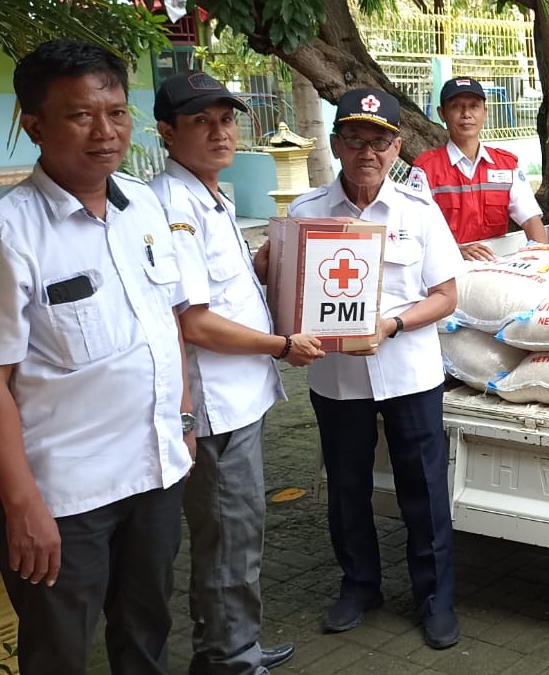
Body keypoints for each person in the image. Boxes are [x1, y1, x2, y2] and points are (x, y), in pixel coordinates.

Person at [0, 40, 196, 674]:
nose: (105, 132)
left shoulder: (142, 204)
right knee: (58, 653)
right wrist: (23, 504)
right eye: (80, 115)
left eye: (115, 111)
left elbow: (167, 323)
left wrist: (185, 421)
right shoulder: (2, 238)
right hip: (63, 494)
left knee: (146, 633)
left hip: (154, 469)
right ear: (34, 125)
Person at [271, 87, 465, 647]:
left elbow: (446, 296)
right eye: (355, 139)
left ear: (397, 147)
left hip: (408, 372)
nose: (367, 152)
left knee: (423, 490)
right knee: (347, 486)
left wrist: (392, 325)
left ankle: (434, 599)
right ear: (335, 144)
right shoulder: (305, 215)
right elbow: (287, 298)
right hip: (336, 378)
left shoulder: (417, 213)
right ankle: (359, 585)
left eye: (379, 141)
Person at [151, 70, 323, 675]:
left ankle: (233, 644)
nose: (220, 133)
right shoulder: (174, 205)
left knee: (238, 534)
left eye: (226, 119)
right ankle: (229, 659)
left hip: (240, 401)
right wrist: (280, 345)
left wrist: (256, 263)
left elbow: (216, 292)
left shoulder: (210, 196)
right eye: (201, 122)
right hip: (215, 407)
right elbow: (193, 323)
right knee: (229, 536)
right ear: (167, 132)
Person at [408, 76, 547, 259]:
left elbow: (531, 220)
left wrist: (541, 261)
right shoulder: (425, 169)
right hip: (445, 270)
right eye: (456, 106)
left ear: (485, 112)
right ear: (442, 113)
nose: (466, 114)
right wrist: (457, 251)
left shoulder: (506, 166)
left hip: (496, 269)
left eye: (474, 106)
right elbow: (413, 231)